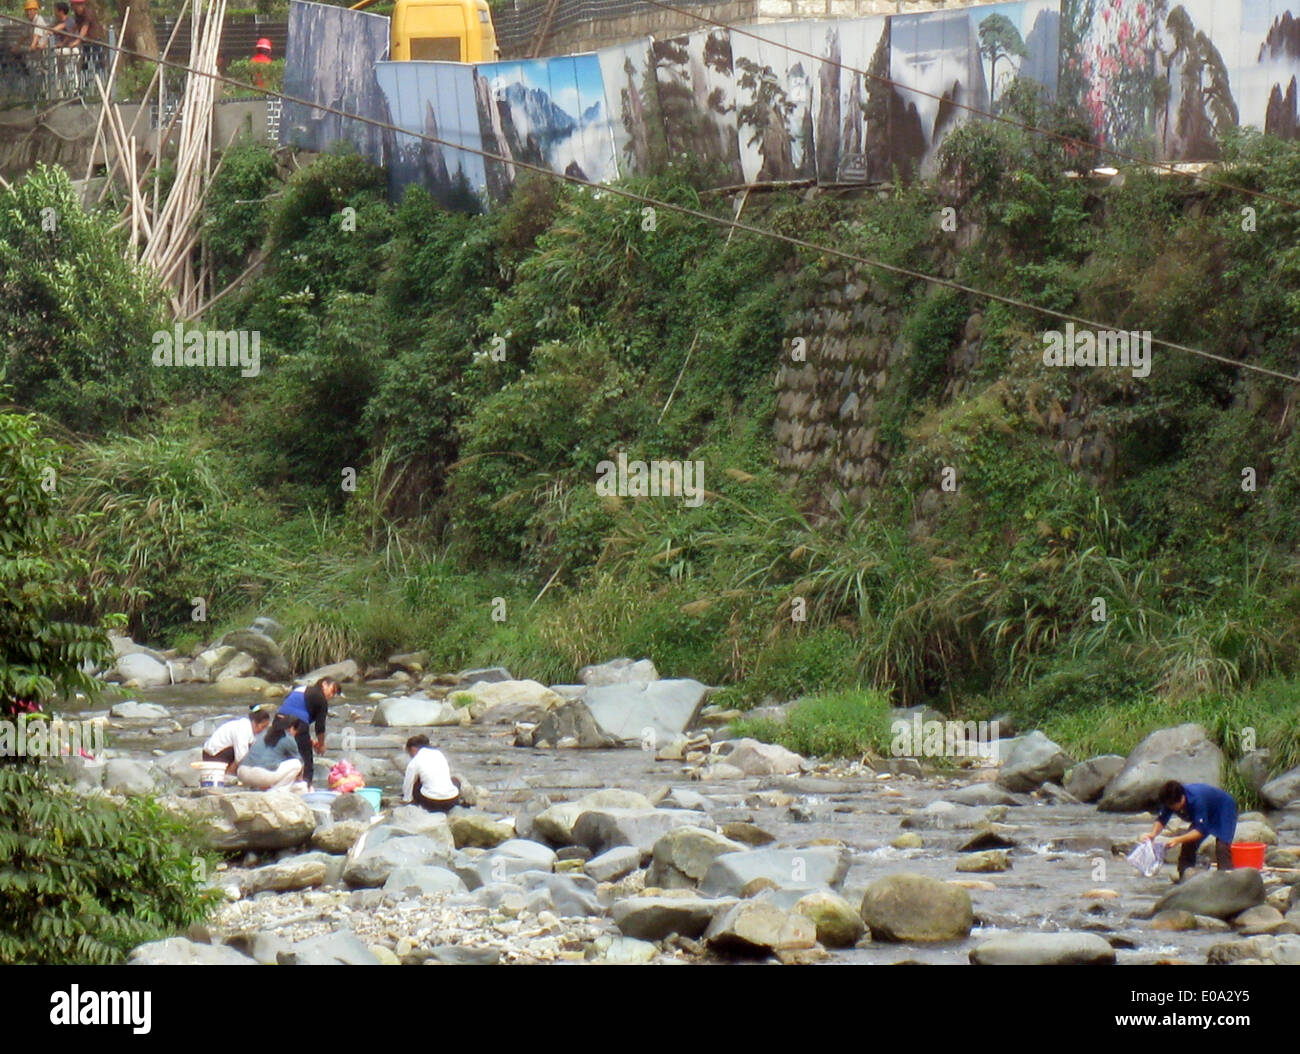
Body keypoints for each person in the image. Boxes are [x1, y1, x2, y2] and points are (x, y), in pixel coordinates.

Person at [1143, 780, 1237, 880]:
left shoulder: (1197, 800)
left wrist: (1177, 839)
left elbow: (1199, 831)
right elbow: (1162, 819)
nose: (1172, 809)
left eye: (1173, 807)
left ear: (1182, 799)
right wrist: (1153, 834)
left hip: (1223, 809)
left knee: (1222, 846)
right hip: (1205, 812)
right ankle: (1184, 874)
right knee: (1188, 843)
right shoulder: (1170, 799)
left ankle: (1226, 877)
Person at [273, 676, 341, 791]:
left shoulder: (300, 689)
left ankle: (276, 784)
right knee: (306, 759)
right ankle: (306, 787)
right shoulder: (321, 698)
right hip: (298, 723)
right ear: (324, 684)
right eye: (333, 690)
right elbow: (320, 727)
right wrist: (321, 745)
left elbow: (289, 708)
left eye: (335, 694)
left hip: (278, 720)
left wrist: (309, 740)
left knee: (280, 753)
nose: (332, 695)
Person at [236, 717, 305, 790]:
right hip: (260, 775)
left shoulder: (265, 733)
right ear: (292, 728)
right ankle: (278, 792)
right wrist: (300, 779)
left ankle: (257, 789)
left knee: (269, 764)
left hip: (242, 772)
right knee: (296, 764)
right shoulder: (288, 738)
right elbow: (300, 763)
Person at [202, 705, 271, 774]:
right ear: (254, 723)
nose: (263, 730)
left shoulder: (248, 728)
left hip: (221, 752)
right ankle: (229, 774)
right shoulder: (243, 729)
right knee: (244, 755)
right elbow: (241, 757)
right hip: (213, 755)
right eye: (262, 727)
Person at [401, 734, 461, 813]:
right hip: (451, 801)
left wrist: (407, 799)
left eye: (409, 752)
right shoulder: (439, 754)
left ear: (413, 749)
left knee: (416, 782)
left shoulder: (415, 760)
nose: (410, 756)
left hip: (431, 803)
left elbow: (408, 784)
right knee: (455, 780)